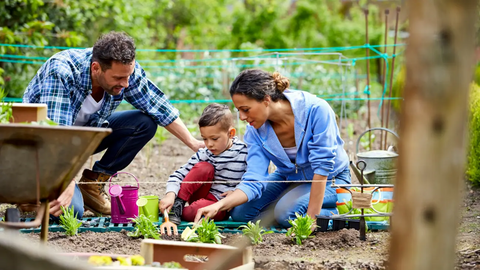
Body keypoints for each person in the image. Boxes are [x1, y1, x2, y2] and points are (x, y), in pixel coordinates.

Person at [22, 31, 204, 218]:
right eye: (118, 79)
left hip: (81, 139)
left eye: (128, 76)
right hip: (39, 149)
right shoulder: (61, 71)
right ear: (96, 69)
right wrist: (67, 182)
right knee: (72, 211)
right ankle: (29, 192)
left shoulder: (124, 71)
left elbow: (158, 106)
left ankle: (91, 186)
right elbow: (54, 135)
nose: (125, 84)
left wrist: (193, 143)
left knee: (144, 123)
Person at [194, 69, 351, 228]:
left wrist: (311, 220)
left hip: (332, 179)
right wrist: (220, 205)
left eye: (245, 109)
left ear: (266, 100)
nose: (241, 117)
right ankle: (287, 204)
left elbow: (322, 168)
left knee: (287, 214)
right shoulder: (255, 130)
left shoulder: (316, 110)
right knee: (240, 213)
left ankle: (345, 206)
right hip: (288, 177)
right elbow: (254, 177)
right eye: (238, 110)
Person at [159, 103, 248, 225]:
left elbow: (251, 180)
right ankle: (176, 205)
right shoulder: (205, 153)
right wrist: (170, 195)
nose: (209, 144)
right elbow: (178, 175)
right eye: (204, 139)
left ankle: (174, 210)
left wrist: (236, 192)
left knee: (195, 211)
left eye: (214, 138)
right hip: (200, 194)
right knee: (204, 167)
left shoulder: (243, 153)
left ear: (231, 133)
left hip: (220, 205)